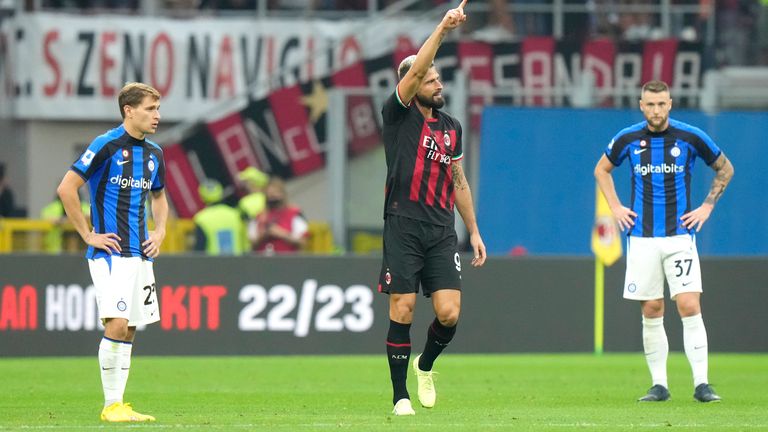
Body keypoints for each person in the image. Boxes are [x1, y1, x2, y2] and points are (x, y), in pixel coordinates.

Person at [377, 0, 487, 416]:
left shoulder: (450, 127)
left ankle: (426, 364)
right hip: (403, 224)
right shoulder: (398, 114)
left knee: (449, 312)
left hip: (441, 230)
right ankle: (399, 395)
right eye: (430, 79)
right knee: (402, 309)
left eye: (440, 79)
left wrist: (473, 230)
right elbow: (418, 68)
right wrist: (442, 28)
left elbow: (458, 181)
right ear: (412, 83)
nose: (438, 84)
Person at [594, 80, 734, 403]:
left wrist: (707, 206)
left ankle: (702, 384)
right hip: (641, 238)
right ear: (641, 105)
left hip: (680, 236)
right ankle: (659, 385)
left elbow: (725, 169)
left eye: (661, 104)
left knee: (688, 304)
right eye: (650, 105)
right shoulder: (628, 138)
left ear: (670, 104)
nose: (656, 111)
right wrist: (615, 207)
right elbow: (601, 170)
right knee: (652, 308)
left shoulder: (690, 136)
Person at [57, 82, 168, 422]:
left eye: (158, 109)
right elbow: (67, 188)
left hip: (140, 254)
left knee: (130, 327)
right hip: (111, 253)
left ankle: (118, 404)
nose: (157, 116)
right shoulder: (105, 146)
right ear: (128, 111)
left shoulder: (154, 154)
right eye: (150, 109)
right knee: (117, 323)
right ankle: (110, 406)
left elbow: (160, 196)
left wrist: (160, 231)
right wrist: (87, 234)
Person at [248, 177, 309, 254]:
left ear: (282, 194)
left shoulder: (294, 214)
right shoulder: (259, 217)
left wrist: (282, 234)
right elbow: (251, 245)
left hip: (287, 261)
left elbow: (303, 242)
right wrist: (263, 235)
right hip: (263, 261)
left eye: (275, 193)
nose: (272, 196)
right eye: (269, 194)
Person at [193, 179, 246, 255]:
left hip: (212, 265)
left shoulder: (201, 218)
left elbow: (199, 250)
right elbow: (245, 244)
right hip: (236, 264)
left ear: (201, 197)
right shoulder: (236, 214)